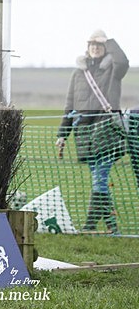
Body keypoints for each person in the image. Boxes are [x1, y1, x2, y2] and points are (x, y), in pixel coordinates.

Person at [55, 29, 129, 234]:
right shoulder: (78, 73)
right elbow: (69, 105)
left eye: (99, 45)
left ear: (105, 48)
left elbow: (123, 62)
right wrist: (62, 134)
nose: (95, 48)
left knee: (100, 178)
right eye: (92, 45)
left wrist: (110, 40)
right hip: (84, 135)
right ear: (87, 48)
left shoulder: (113, 69)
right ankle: (111, 228)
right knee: (99, 179)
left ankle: (90, 225)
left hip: (107, 132)